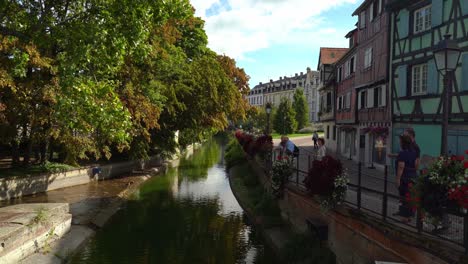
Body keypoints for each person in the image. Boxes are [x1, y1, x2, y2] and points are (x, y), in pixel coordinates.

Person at [394, 134, 418, 223]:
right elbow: (416, 165)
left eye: (400, 141)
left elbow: (401, 167)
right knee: (411, 197)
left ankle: (405, 218)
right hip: (413, 177)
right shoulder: (414, 152)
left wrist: (398, 179)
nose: (399, 143)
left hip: (404, 178)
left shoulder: (403, 153)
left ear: (403, 143)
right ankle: (410, 216)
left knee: (404, 197)